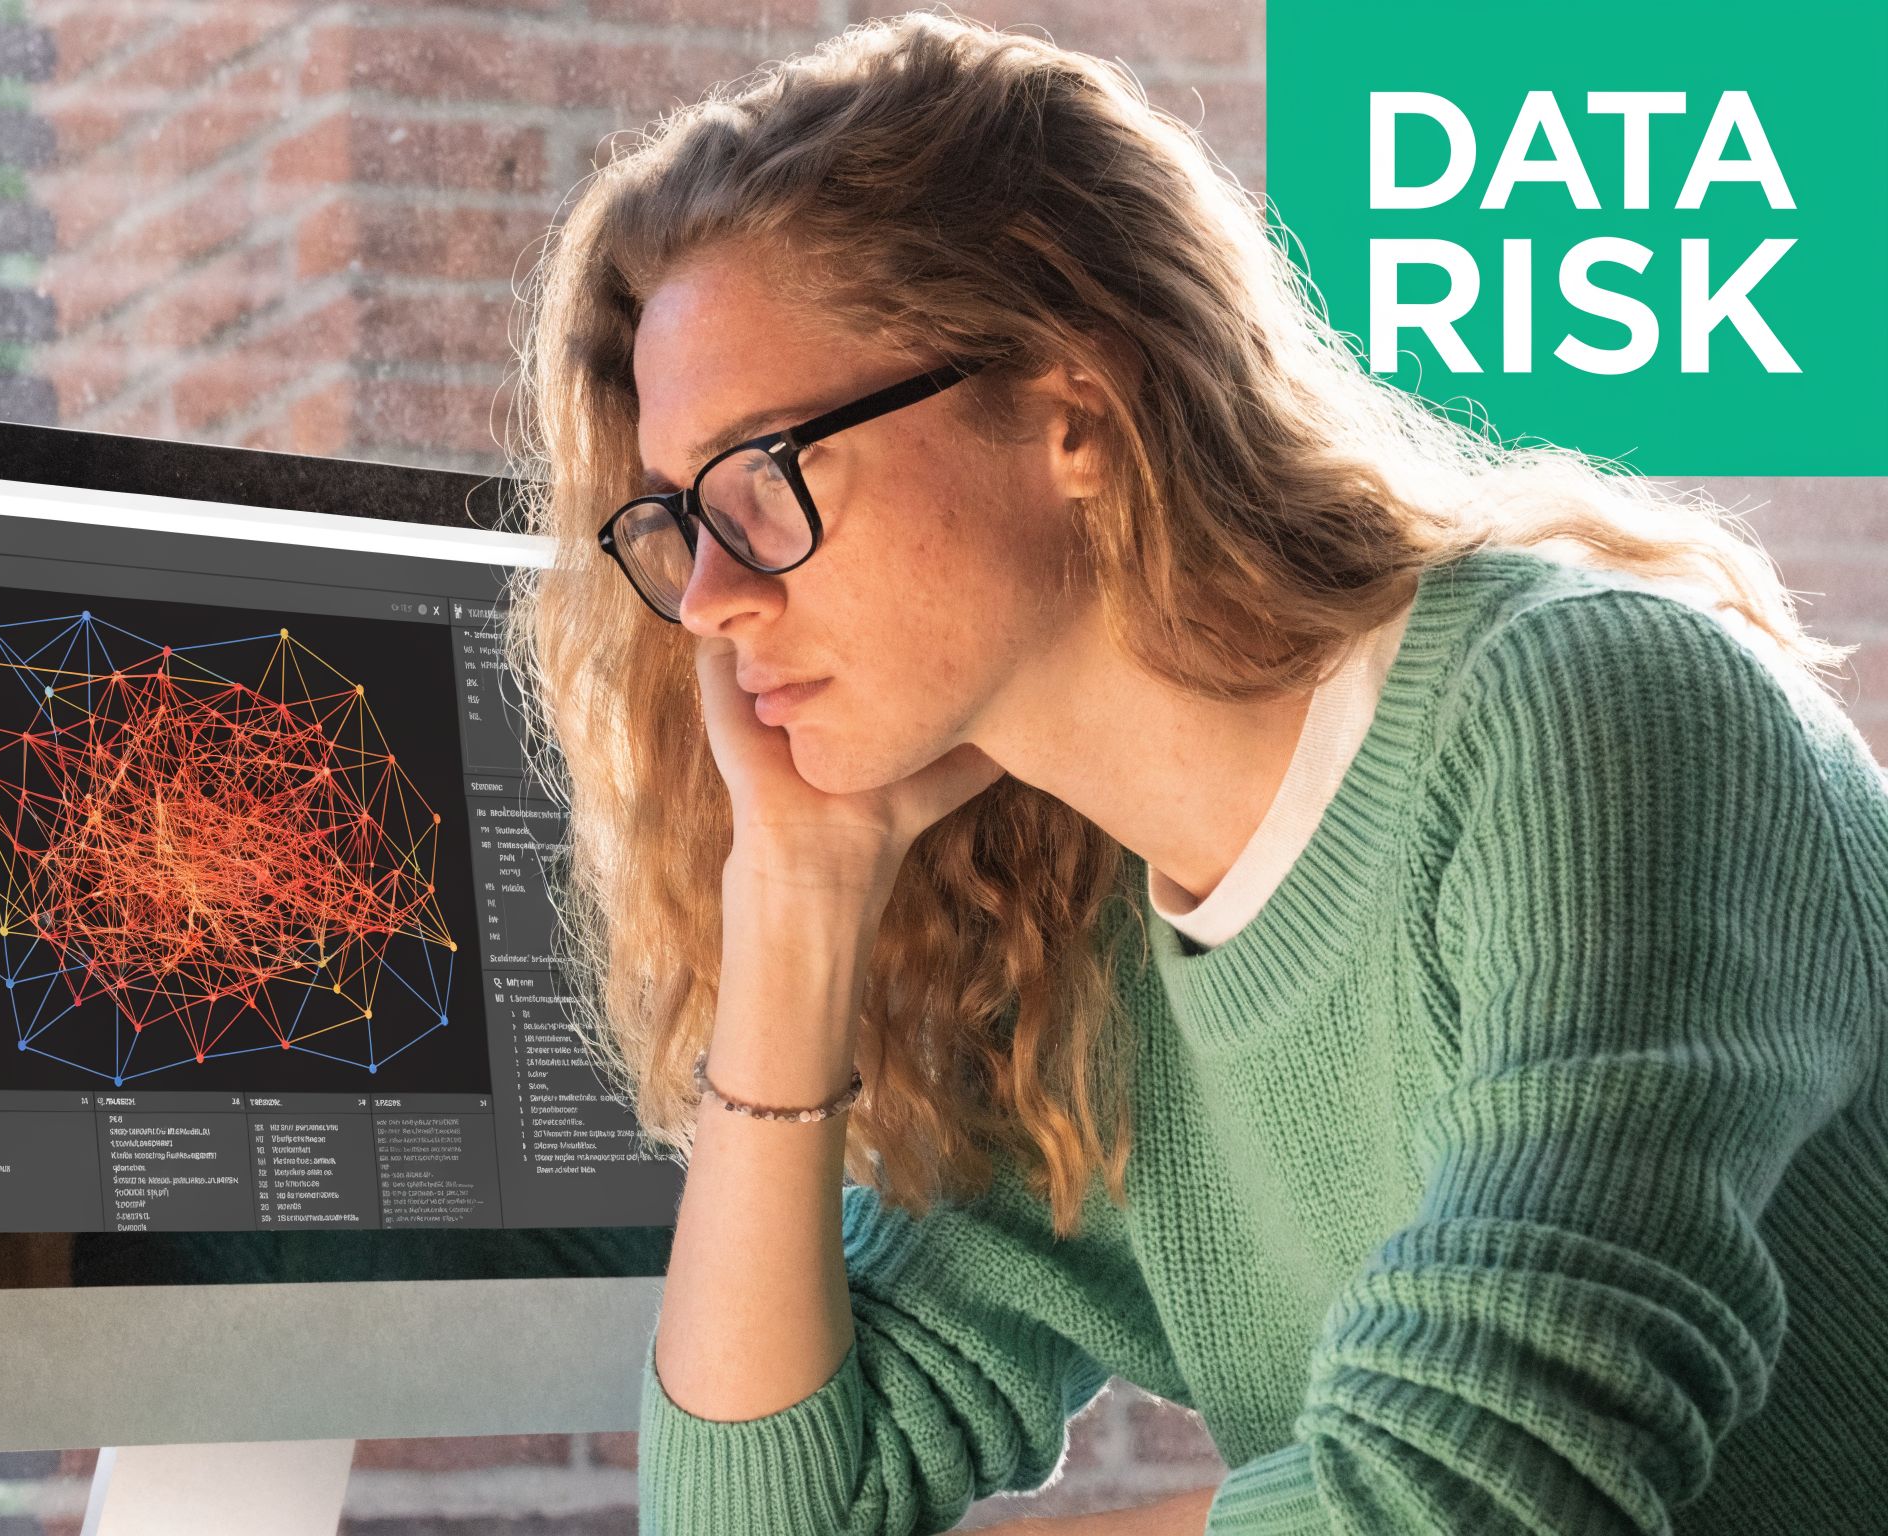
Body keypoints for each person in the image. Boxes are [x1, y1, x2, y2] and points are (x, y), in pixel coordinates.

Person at [506, 14, 1888, 1534]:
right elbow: (745, 1516)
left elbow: (1466, 1495)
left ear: (1071, 409)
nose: (705, 597)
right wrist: (799, 891)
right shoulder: (1074, 921)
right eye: (673, 522)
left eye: (763, 477)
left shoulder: (1589, 710)